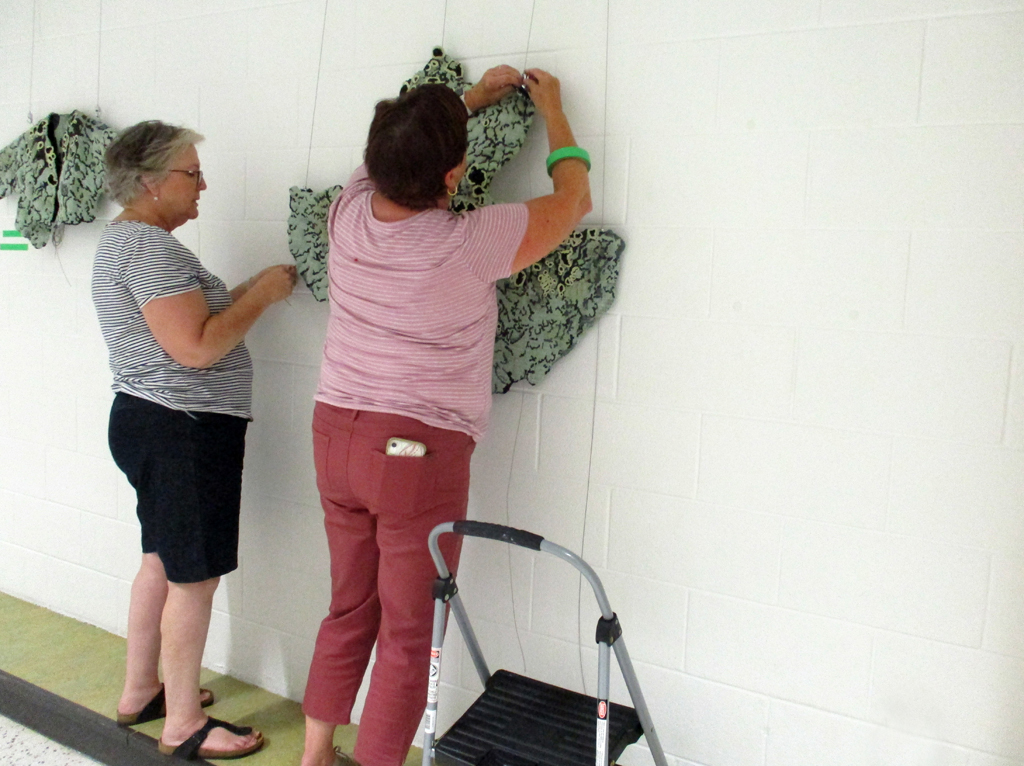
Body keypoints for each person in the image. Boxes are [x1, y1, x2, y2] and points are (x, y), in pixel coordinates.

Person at [301, 66, 591, 766]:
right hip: (413, 453)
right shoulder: (470, 242)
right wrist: (552, 109)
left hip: (334, 432)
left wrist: (462, 103)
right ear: (455, 174)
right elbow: (574, 199)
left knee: (348, 608)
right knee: (407, 634)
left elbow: (394, 156)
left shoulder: (349, 208)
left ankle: (312, 759)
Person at [92, 121, 297, 760]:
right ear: (151, 182)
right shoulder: (151, 250)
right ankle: (181, 723)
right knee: (193, 578)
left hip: (152, 421)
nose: (201, 183)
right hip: (181, 429)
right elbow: (198, 347)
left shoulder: (125, 242)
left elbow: (196, 322)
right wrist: (263, 294)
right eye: (191, 172)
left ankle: (141, 692)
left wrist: (247, 294)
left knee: (161, 559)